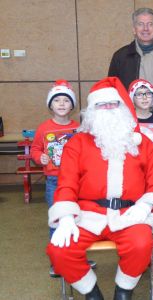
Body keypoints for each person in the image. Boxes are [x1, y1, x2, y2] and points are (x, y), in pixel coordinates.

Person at [46, 77, 153, 299]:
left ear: (123, 108)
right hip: (87, 214)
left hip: (129, 213)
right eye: (102, 105)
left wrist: (147, 205)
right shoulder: (78, 143)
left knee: (142, 245)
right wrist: (65, 218)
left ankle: (123, 291)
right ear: (92, 110)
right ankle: (92, 293)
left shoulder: (142, 143)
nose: (108, 109)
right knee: (58, 250)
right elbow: (66, 183)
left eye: (113, 104)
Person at [31, 80, 80, 276]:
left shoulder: (78, 127)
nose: (61, 104)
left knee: (77, 220)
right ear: (50, 105)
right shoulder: (44, 128)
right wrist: (39, 157)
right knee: (57, 220)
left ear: (72, 106)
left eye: (66, 101)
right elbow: (35, 148)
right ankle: (57, 261)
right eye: (57, 100)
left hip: (76, 181)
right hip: (53, 182)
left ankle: (76, 258)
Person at [109, 7, 153, 113]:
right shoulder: (120, 56)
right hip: (131, 116)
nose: (145, 29)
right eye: (140, 24)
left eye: (150, 24)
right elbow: (112, 90)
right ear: (134, 29)